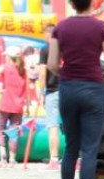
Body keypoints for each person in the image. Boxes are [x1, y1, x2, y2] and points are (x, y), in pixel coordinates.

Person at [47, 0, 104, 179]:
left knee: (71, 146)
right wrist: (101, 76)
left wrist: (67, 76)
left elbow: (51, 64)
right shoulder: (101, 27)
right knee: (89, 148)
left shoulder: (61, 27)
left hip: (67, 89)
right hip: (93, 89)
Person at [0, 46, 28, 166]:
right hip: (18, 106)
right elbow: (27, 90)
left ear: (9, 58)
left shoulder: (5, 68)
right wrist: (28, 104)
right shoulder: (23, 71)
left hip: (5, 103)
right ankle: (12, 158)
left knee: (0, 129)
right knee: (14, 131)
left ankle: (3, 155)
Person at [38, 23, 62, 170]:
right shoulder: (66, 49)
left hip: (53, 91)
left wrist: (41, 93)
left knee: (53, 126)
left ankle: (54, 160)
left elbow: (42, 73)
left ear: (48, 35)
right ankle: (78, 157)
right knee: (73, 126)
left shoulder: (46, 50)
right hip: (69, 90)